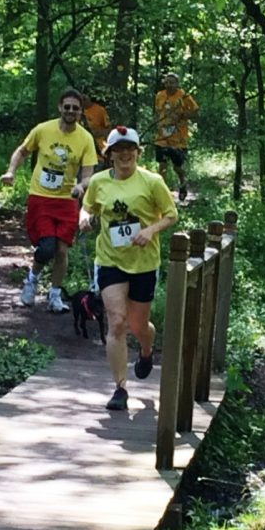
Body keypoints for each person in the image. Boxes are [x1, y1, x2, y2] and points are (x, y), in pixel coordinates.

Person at [79, 126, 178, 411]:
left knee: (137, 325)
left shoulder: (152, 181)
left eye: (129, 148)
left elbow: (172, 215)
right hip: (110, 259)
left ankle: (147, 349)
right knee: (117, 321)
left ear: (137, 152)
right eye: (118, 149)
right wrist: (84, 217)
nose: (124, 154)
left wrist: (151, 230)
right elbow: (89, 207)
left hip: (144, 262)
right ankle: (120, 388)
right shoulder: (98, 181)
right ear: (108, 155)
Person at [1, 88, 98, 313]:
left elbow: (88, 174)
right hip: (41, 197)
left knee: (62, 250)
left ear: (81, 112)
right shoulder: (43, 129)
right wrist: (11, 171)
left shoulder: (85, 138)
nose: (71, 111)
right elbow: (22, 151)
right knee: (46, 247)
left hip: (66, 200)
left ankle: (54, 295)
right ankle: (31, 281)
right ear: (60, 108)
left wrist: (81, 186)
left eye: (75, 108)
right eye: (67, 107)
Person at [153, 72, 199, 201]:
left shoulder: (184, 96)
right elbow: (158, 112)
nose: (169, 85)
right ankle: (160, 192)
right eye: (167, 82)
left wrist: (182, 116)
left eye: (172, 82)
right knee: (162, 165)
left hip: (179, 138)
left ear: (177, 84)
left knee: (177, 167)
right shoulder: (160, 95)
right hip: (162, 137)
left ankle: (183, 184)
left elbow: (195, 111)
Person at [82, 93, 111, 165]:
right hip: (83, 152)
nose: (83, 101)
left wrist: (98, 133)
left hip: (98, 153)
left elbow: (108, 128)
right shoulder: (78, 112)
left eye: (84, 99)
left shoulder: (100, 110)